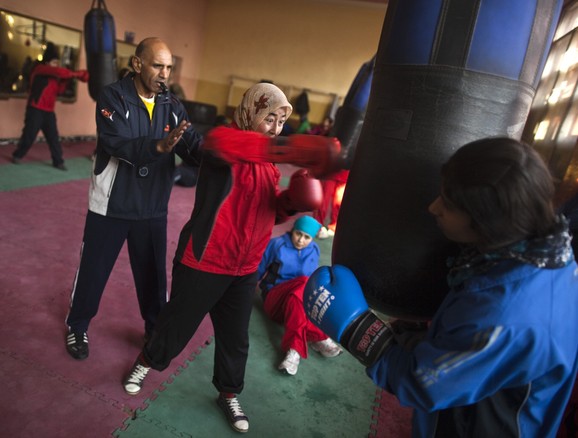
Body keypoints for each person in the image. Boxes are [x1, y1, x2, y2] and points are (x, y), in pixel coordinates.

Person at [305, 137, 578, 437]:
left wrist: (357, 328)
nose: (433, 207)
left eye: (448, 203)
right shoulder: (544, 255)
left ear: (485, 220)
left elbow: (422, 383)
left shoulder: (502, 318)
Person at [122, 82, 340, 433]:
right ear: (252, 111)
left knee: (235, 339)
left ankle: (228, 392)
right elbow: (220, 145)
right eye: (269, 118)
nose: (275, 128)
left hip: (246, 267)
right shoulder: (224, 141)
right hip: (206, 260)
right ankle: (146, 362)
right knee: (176, 327)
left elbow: (269, 212)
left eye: (281, 122)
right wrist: (295, 147)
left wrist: (293, 202)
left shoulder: (269, 165)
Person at [64, 37, 202, 361]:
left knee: (154, 277)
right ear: (138, 64)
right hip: (112, 202)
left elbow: (191, 145)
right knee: (93, 272)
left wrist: (223, 153)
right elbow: (116, 143)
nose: (164, 74)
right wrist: (158, 146)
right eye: (158, 66)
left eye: (169, 67)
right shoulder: (113, 96)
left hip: (152, 205)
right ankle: (77, 325)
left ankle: (154, 329)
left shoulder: (171, 103)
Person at [257, 215, 342, 376]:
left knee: (303, 291)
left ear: (312, 238)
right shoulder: (277, 244)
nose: (301, 240)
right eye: (298, 234)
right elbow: (258, 269)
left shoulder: (314, 250)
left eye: (307, 237)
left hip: (294, 308)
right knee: (304, 282)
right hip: (274, 300)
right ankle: (317, 336)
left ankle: (294, 350)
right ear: (293, 230)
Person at [11, 42, 89, 170]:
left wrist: (66, 80)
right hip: (35, 109)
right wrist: (78, 74)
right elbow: (60, 72)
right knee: (29, 135)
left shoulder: (55, 77)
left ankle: (58, 162)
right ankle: (17, 155)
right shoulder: (39, 69)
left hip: (48, 112)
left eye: (57, 62)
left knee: (53, 138)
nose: (56, 64)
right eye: (54, 62)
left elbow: (59, 91)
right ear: (47, 62)